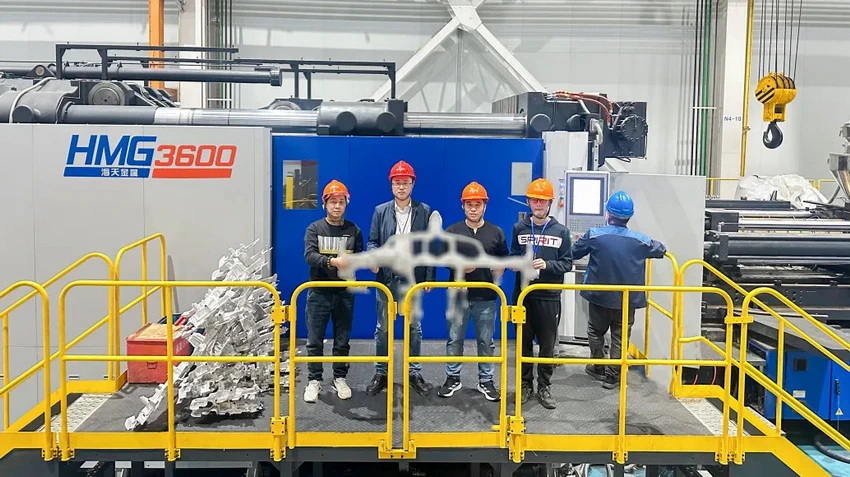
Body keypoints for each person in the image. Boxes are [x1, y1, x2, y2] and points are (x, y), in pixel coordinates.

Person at [571, 190, 667, 390]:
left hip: (599, 297)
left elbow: (573, 252)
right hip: (627, 299)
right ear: (629, 216)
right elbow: (660, 249)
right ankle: (613, 376)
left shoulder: (594, 235)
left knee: (595, 331)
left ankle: (598, 366)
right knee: (620, 335)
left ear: (608, 213)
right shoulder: (640, 240)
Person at [365, 160, 436, 396]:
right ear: (391, 185)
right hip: (386, 278)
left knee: (414, 328)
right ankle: (381, 373)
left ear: (412, 184)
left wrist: (429, 276)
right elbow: (372, 241)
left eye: (405, 182)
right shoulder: (380, 211)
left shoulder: (424, 211)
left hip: (413, 279)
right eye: (397, 183)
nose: (401, 187)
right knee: (383, 328)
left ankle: (414, 372)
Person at [438, 182, 509, 402]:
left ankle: (486, 380)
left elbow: (503, 258)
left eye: (477, 204)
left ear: (484, 206)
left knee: (486, 341)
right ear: (463, 206)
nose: (473, 209)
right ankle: (452, 378)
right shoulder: (452, 231)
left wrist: (500, 270)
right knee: (454, 339)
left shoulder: (496, 232)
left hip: (486, 296)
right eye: (469, 204)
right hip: (458, 296)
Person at [510, 178, 573, 409]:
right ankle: (525, 384)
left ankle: (544, 386)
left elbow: (567, 263)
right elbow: (513, 254)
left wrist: (547, 265)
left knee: (547, 346)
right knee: (523, 344)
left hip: (549, 296)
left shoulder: (562, 231)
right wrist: (517, 263)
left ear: (550, 203)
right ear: (528, 202)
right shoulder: (519, 228)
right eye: (534, 200)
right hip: (523, 296)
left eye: (542, 200)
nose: (538, 204)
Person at [302, 180, 363, 403]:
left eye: (341, 202)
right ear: (325, 204)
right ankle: (314, 380)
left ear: (346, 204)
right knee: (314, 340)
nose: (337, 206)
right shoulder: (314, 229)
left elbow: (359, 256)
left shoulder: (354, 230)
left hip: (344, 293)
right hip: (319, 292)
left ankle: (340, 377)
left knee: (342, 339)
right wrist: (332, 262)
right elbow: (309, 256)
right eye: (333, 202)